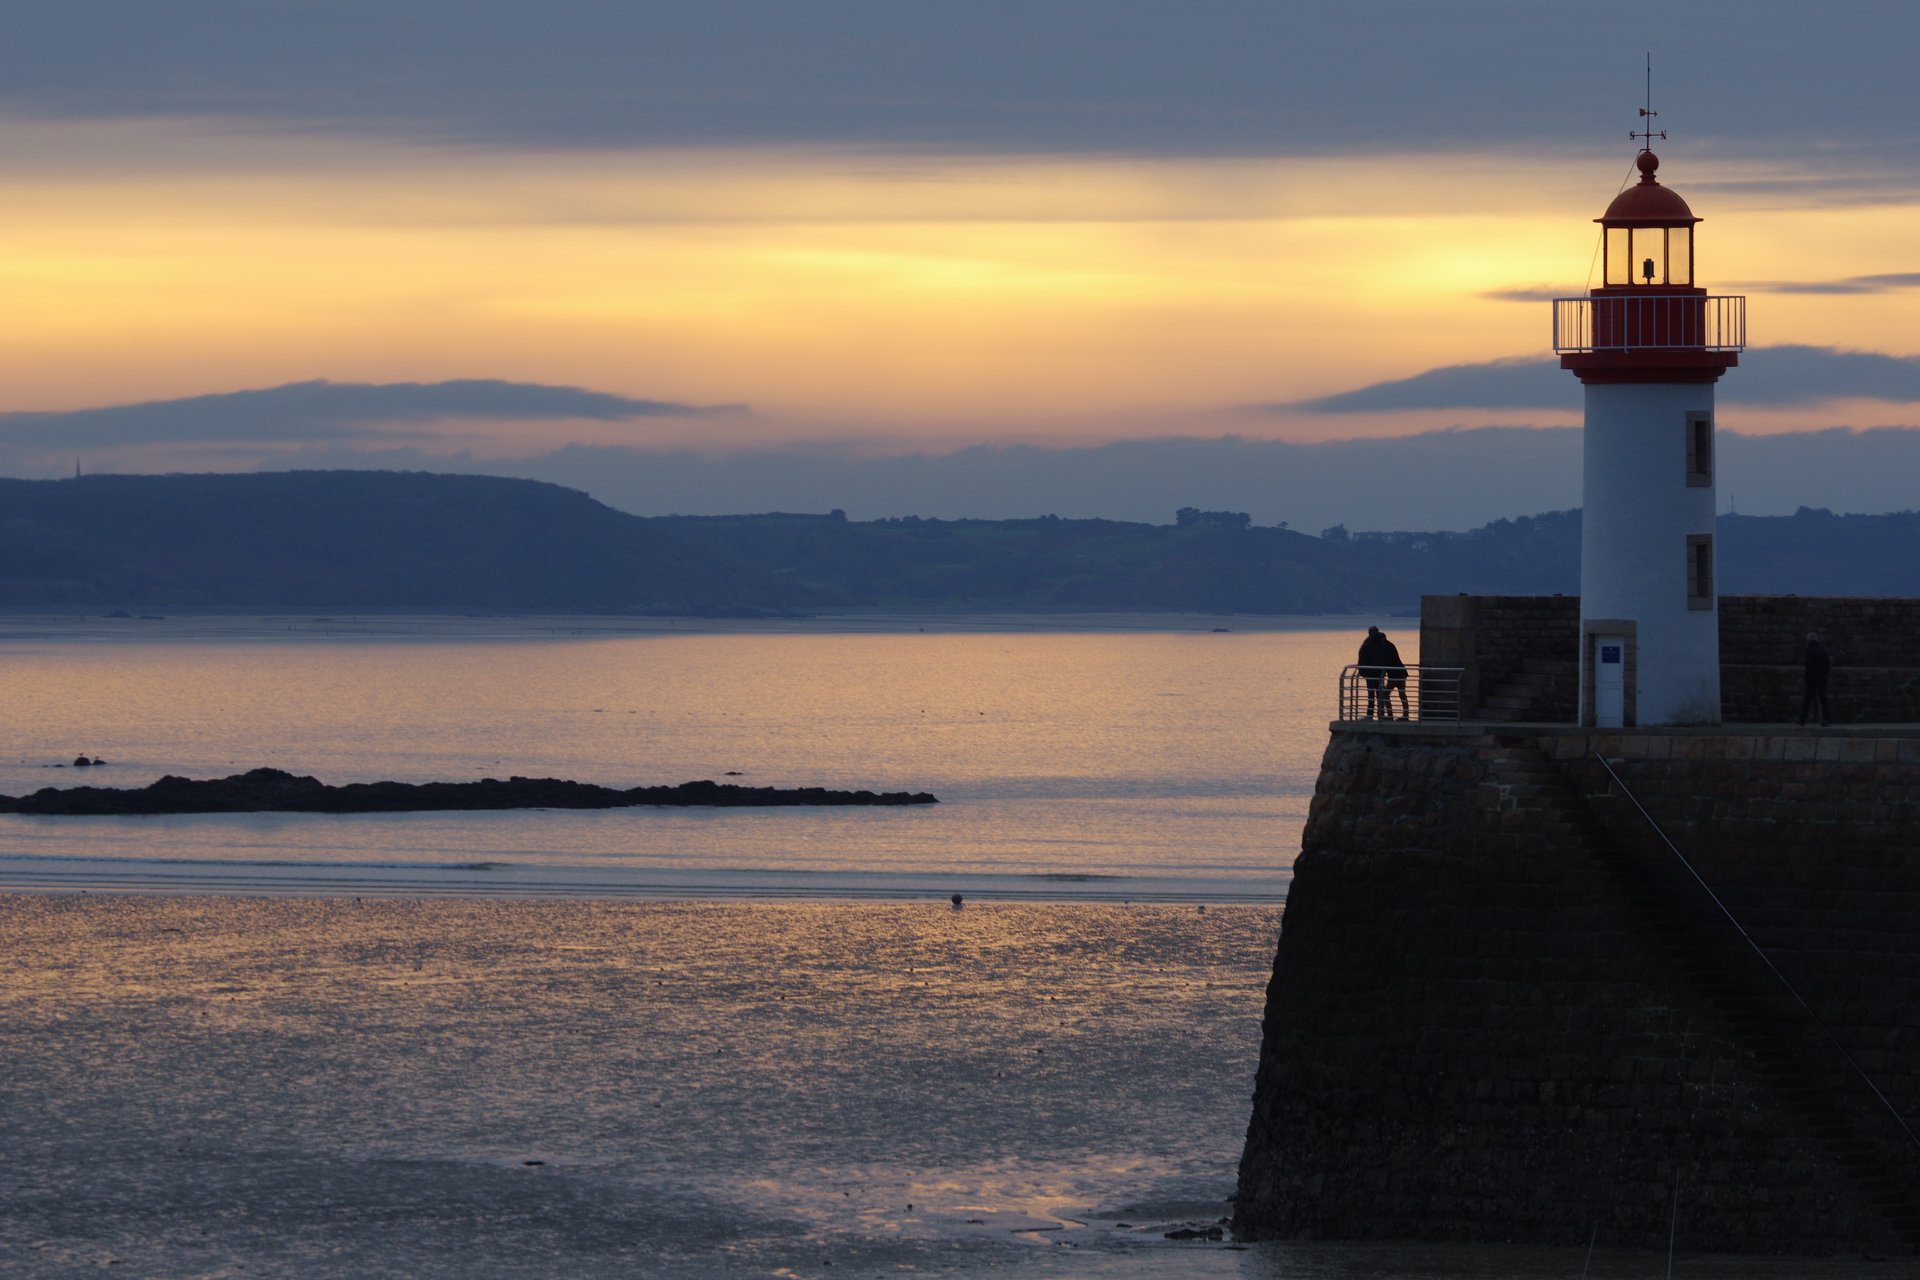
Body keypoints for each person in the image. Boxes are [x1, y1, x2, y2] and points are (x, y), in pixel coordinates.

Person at [1357, 625, 1394, 719]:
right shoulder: (1383, 643)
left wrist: (1362, 671)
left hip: (1370, 673)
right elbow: (1387, 657)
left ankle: (1370, 715)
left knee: (1371, 695)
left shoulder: (1367, 643)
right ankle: (1381, 714)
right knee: (1380, 695)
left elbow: (1362, 658)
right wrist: (1385, 669)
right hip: (1380, 673)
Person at [1799, 631, 1830, 726]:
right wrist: (1824, 676)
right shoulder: (1823, 650)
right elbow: (1828, 666)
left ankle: (1802, 719)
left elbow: (1809, 666)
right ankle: (1826, 718)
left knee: (1807, 700)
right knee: (1823, 699)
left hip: (1812, 679)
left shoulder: (1809, 650)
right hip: (1821, 678)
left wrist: (1806, 678)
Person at [1380, 631, 1411, 720]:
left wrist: (1383, 669)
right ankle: (1405, 715)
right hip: (1400, 673)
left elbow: (1387, 661)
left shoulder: (1385, 647)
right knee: (1402, 694)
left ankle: (1390, 715)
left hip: (1395, 674)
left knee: (1385, 694)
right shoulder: (1390, 645)